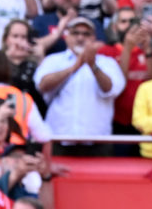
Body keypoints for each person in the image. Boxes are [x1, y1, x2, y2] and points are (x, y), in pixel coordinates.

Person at [37, 15, 125, 147]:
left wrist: (93, 66)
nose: (80, 38)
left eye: (86, 34)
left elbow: (112, 90)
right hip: (58, 140)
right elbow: (42, 85)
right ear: (66, 37)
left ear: (93, 38)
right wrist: (74, 67)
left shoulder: (108, 63)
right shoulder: (53, 60)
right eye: (75, 33)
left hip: (97, 142)